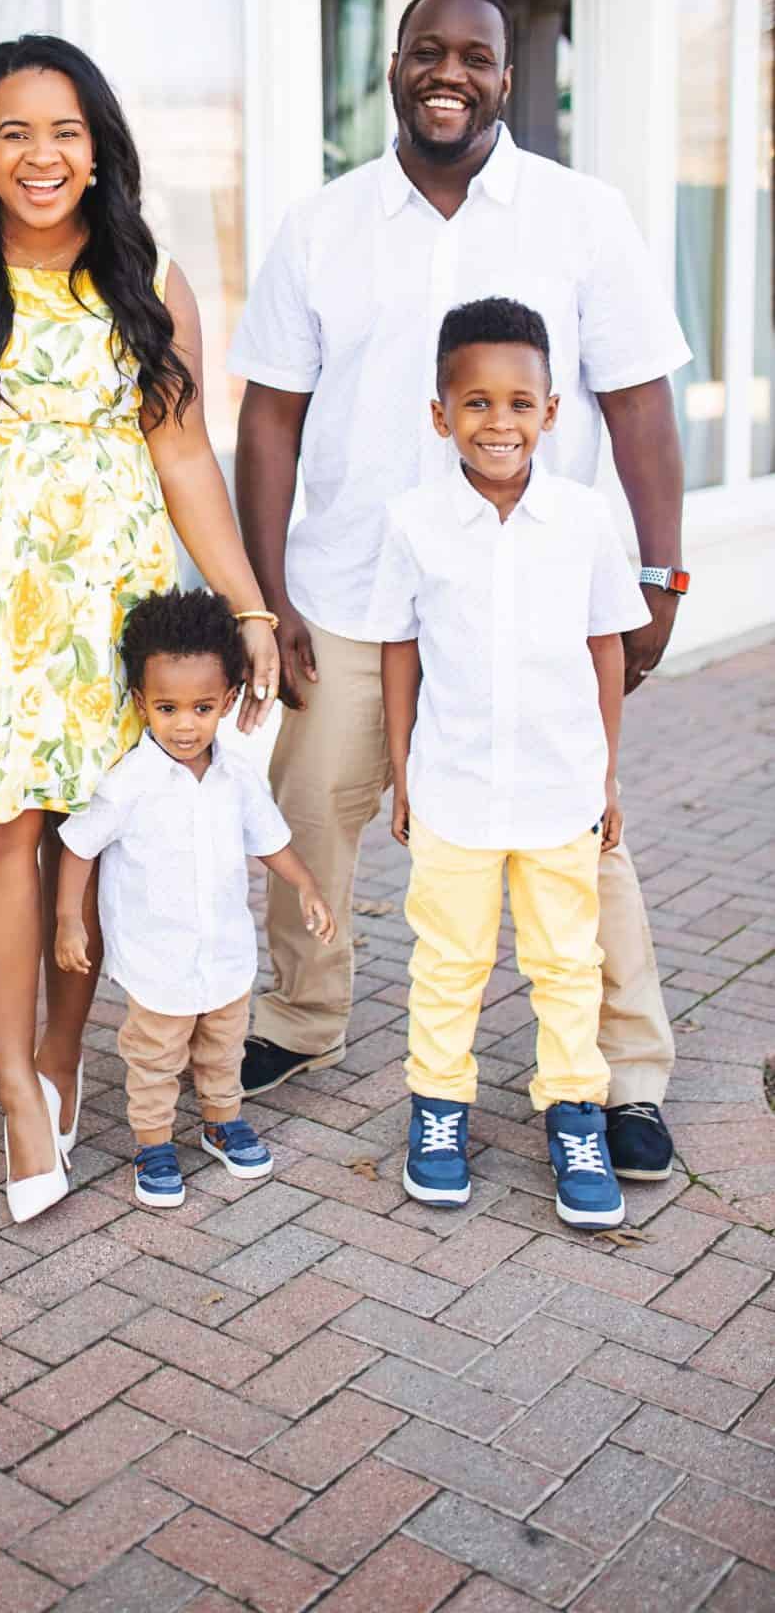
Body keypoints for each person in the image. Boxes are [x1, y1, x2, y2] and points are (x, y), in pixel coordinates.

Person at [229, 0, 691, 1185]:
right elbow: (269, 417)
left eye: (474, 55)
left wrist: (657, 571)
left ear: (505, 76)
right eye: (426, 49)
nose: (450, 71)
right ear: (392, 63)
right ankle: (300, 1016)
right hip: (345, 589)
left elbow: (640, 397)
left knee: (579, 830)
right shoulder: (322, 223)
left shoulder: (582, 215)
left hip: (529, 594)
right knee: (314, 807)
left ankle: (624, 1071)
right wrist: (265, 598)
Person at [0, 36, 282, 1225]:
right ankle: (14, 1089)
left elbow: (186, 452)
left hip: (108, 613)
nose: (40, 155)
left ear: (97, 152)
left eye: (63, 132)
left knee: (86, 844)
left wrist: (246, 603)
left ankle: (61, 1050)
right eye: (14, 133)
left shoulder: (148, 284)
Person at [373, 298, 647, 1228]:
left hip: (557, 786)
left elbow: (606, 647)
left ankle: (573, 1111)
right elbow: (399, 651)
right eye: (477, 403)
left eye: (520, 403)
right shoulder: (412, 521)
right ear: (440, 414)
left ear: (551, 412)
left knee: (566, 959)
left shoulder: (581, 519)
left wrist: (604, 778)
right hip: (451, 788)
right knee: (447, 961)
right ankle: (438, 1110)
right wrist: (403, 774)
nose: (500, 423)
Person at [54, 589, 333, 1207]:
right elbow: (78, 847)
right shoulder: (129, 783)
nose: (185, 724)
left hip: (225, 952)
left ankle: (220, 1120)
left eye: (202, 707)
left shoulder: (236, 776)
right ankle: (153, 1143)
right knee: (155, 1056)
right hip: (158, 957)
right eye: (168, 707)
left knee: (223, 1046)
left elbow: (270, 840)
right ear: (140, 704)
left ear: (228, 701)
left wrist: (307, 885)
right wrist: (67, 922)